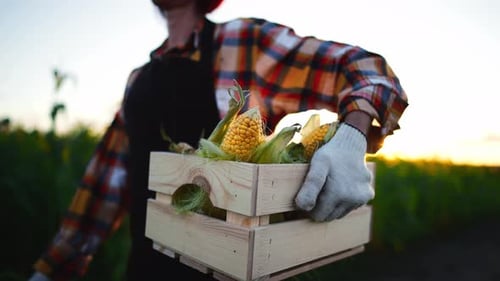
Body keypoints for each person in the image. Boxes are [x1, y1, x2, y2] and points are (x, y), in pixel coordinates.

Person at [29, 0, 409, 280]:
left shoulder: (242, 40)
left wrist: (353, 135)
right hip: (146, 266)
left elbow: (367, 70)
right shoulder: (137, 79)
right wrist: (53, 267)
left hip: (229, 267)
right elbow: (107, 180)